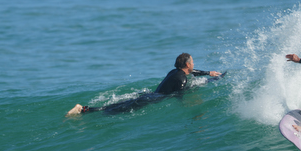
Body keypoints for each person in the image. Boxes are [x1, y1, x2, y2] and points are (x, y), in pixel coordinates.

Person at [66, 53, 221, 116]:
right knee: (114, 110)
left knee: (116, 105)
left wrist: (209, 73)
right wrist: (187, 106)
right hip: (151, 99)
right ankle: (83, 110)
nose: (194, 64)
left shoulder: (175, 72)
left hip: (149, 95)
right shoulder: (182, 79)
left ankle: (84, 109)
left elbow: (194, 72)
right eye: (192, 62)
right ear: (187, 65)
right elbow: (179, 94)